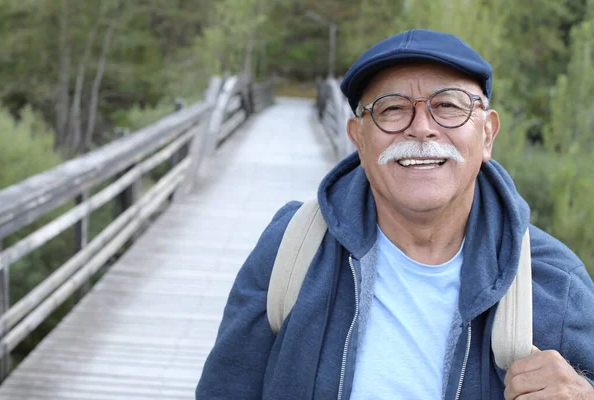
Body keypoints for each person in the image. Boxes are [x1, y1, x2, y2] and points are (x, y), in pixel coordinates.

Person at [196, 29, 594, 399]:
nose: (421, 128)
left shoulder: (555, 281)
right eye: (391, 109)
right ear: (359, 139)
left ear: (487, 134)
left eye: (448, 105)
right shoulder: (292, 247)